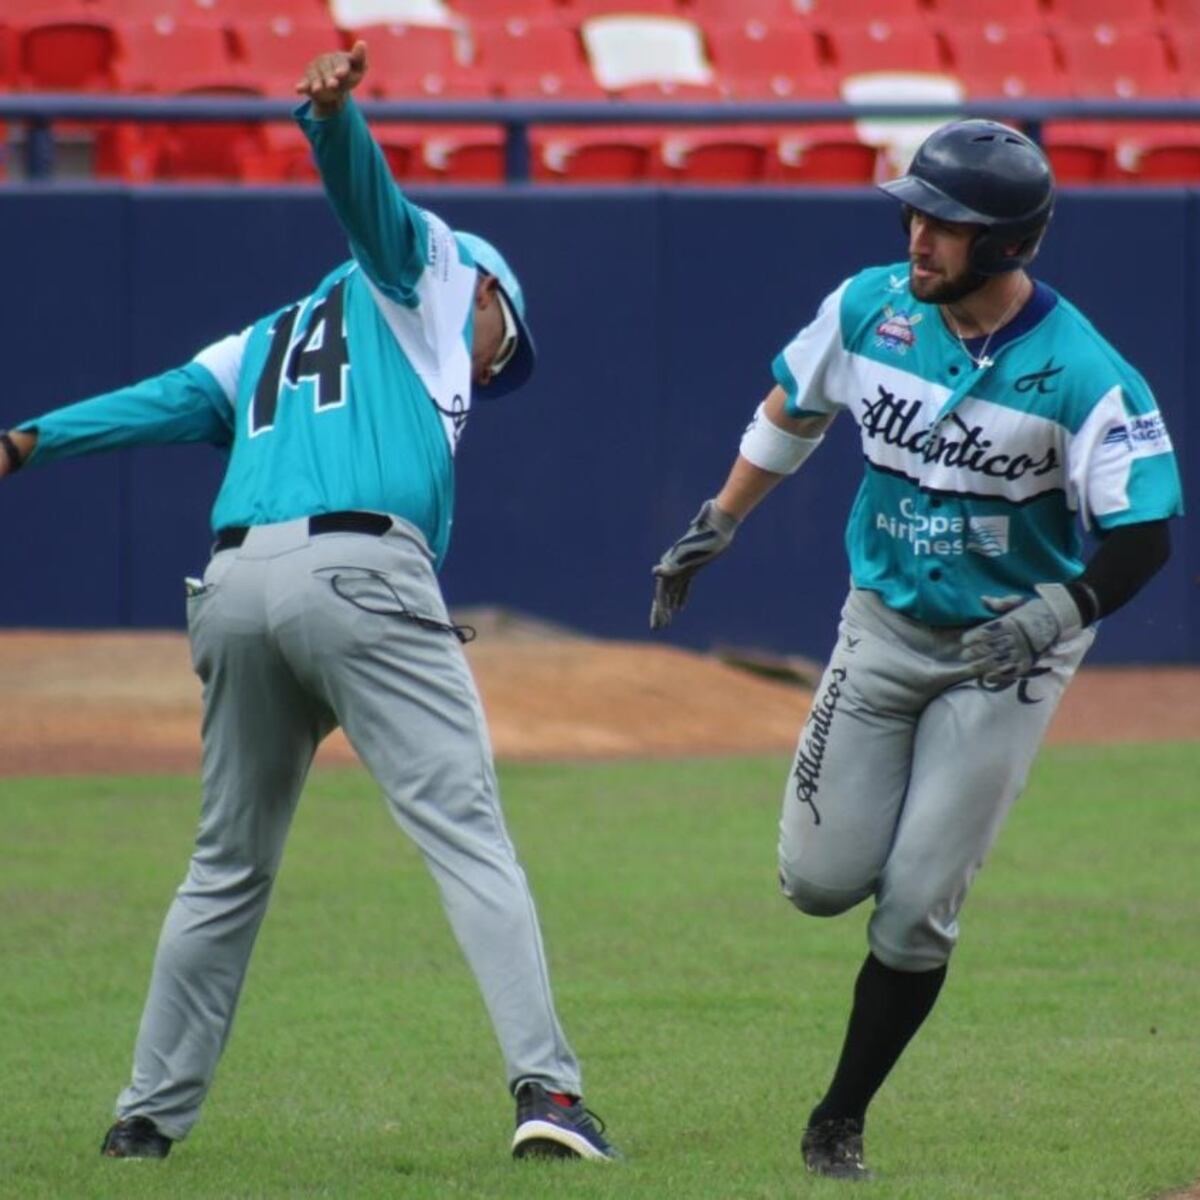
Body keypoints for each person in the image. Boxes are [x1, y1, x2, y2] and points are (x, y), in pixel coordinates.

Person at [0, 42, 617, 1164]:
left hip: (234, 592)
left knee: (225, 867)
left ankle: (145, 1121)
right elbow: (376, 215)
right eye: (503, 339)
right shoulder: (433, 275)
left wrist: (29, 442)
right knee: (469, 838)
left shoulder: (269, 340)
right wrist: (332, 121)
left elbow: (162, 402)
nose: (491, 366)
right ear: (483, 291)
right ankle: (553, 1098)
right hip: (363, 577)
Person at [649, 119, 1182, 1181]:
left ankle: (838, 1119)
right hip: (882, 629)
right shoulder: (868, 308)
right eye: (916, 212)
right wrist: (722, 517)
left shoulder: (1084, 372)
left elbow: (1145, 534)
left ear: (1011, 245)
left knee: (917, 905)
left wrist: (1058, 614)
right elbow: (792, 410)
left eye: (946, 223)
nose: (918, 236)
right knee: (817, 880)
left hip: (1008, 655)